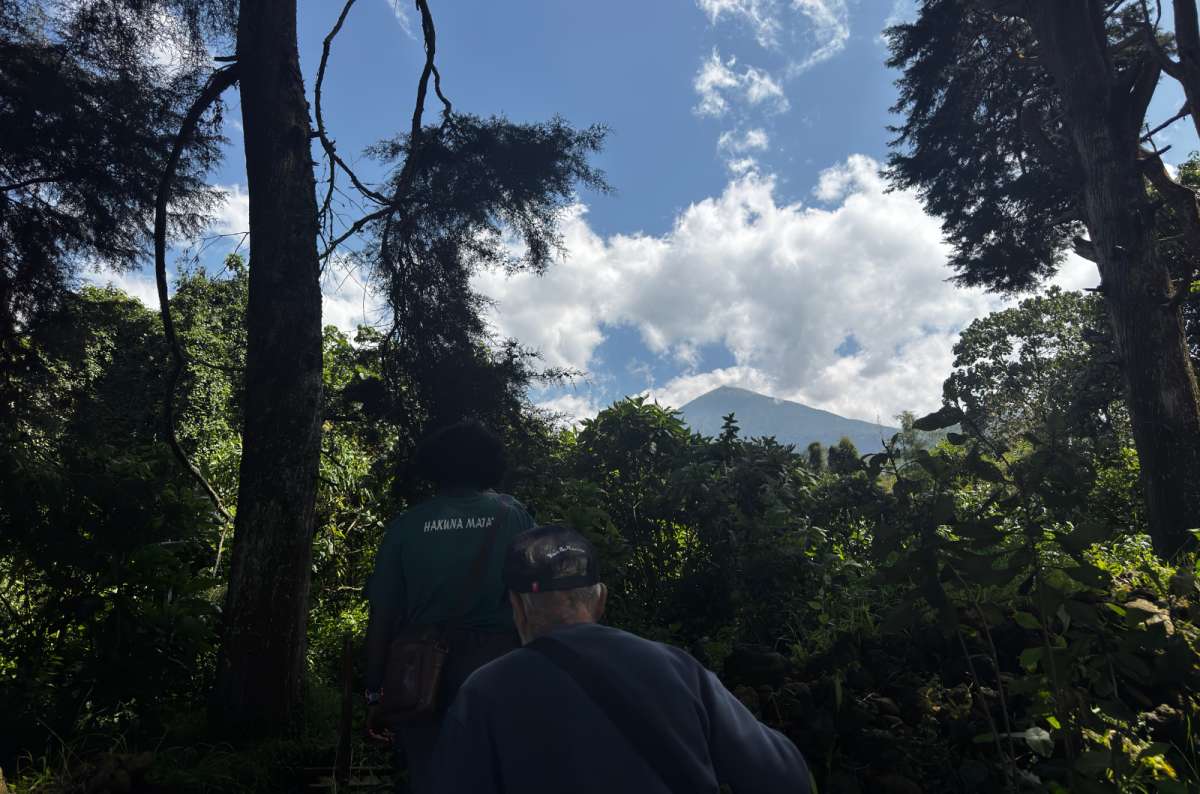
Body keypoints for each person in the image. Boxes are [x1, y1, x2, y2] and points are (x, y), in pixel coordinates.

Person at [428, 523, 813, 794]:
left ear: (517, 607)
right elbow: (786, 778)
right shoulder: (677, 668)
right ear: (600, 598)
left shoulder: (483, 693)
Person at [364, 420, 535, 794]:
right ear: (489, 464)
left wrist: (375, 692)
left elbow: (383, 615)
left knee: (431, 774)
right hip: (500, 666)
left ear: (435, 466)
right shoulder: (514, 516)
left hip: (420, 671)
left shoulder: (406, 526)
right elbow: (535, 597)